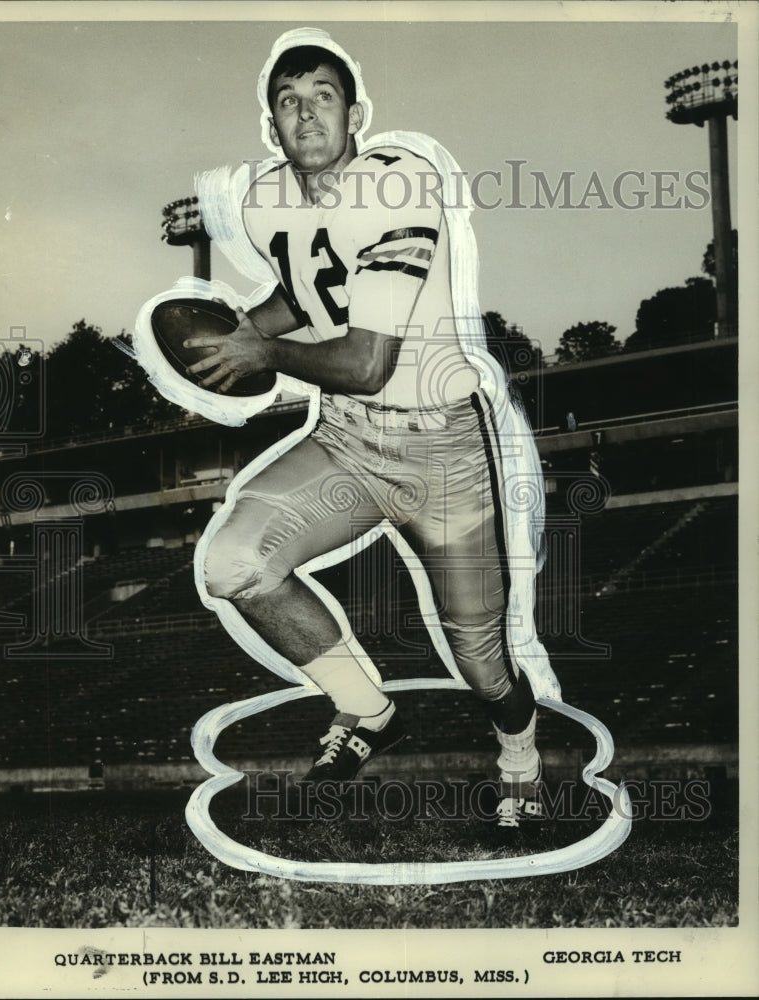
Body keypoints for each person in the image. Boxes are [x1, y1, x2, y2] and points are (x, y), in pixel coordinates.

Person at [184, 29, 546, 828]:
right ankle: (365, 711)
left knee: (481, 661)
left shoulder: (396, 187)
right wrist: (241, 332)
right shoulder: (272, 196)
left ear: (356, 115)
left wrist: (261, 351)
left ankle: (520, 758)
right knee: (234, 564)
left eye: (321, 96)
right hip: (348, 439)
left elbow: (367, 362)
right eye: (287, 101)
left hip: (441, 447)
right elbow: (305, 289)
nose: (304, 113)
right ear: (270, 126)